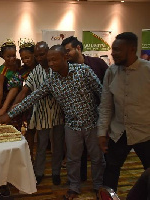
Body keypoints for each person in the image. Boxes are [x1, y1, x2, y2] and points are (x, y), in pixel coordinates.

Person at [0, 45, 105, 199]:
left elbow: (102, 94)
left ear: (65, 57)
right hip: (72, 125)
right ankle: (74, 187)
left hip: (92, 123)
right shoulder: (52, 80)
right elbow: (32, 98)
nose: (51, 63)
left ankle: (98, 186)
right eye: (49, 60)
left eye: (54, 60)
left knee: (97, 157)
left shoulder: (83, 71)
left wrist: (105, 123)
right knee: (72, 159)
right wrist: (10, 114)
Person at [97, 32, 150, 192]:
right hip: (119, 131)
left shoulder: (147, 71)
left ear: (132, 49)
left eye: (118, 50)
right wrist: (101, 132)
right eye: (113, 49)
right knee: (111, 169)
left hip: (145, 132)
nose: (113, 53)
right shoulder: (111, 72)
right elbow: (106, 105)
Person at [12, 41, 65, 185]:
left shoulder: (58, 68)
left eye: (42, 54)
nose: (40, 58)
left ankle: (56, 172)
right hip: (42, 115)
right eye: (37, 55)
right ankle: (39, 173)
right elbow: (24, 90)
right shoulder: (36, 71)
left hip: (59, 114)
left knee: (58, 146)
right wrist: (13, 108)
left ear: (48, 52)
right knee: (41, 146)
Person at [62, 36, 109, 182]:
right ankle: (78, 181)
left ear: (78, 48)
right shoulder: (67, 69)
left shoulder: (97, 63)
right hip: (75, 121)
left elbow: (107, 87)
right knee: (76, 156)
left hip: (97, 117)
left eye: (68, 50)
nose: (66, 54)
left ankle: (99, 184)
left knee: (97, 155)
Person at [0, 39, 21, 119]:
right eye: (8, 56)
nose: (11, 59)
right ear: (3, 56)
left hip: (18, 101)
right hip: (6, 104)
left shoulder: (17, 63)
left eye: (13, 55)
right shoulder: (2, 71)